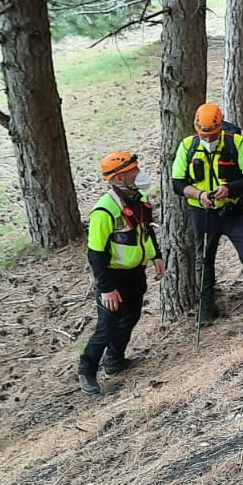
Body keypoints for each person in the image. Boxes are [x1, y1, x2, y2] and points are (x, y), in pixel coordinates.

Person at [171, 103, 243, 328]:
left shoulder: (236, 143)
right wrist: (199, 194)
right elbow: (178, 183)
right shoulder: (187, 146)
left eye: (212, 134)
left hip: (234, 210)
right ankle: (206, 309)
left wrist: (230, 189)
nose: (207, 138)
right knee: (204, 258)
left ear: (220, 127)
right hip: (202, 212)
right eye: (203, 134)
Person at [78, 150, 163, 396]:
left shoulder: (138, 198)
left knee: (131, 316)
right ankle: (87, 371)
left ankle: (115, 361)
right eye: (133, 172)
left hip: (135, 274)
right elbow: (95, 254)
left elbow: (147, 231)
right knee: (107, 327)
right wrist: (106, 288)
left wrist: (155, 255)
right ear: (118, 179)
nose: (140, 174)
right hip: (113, 279)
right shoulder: (104, 211)